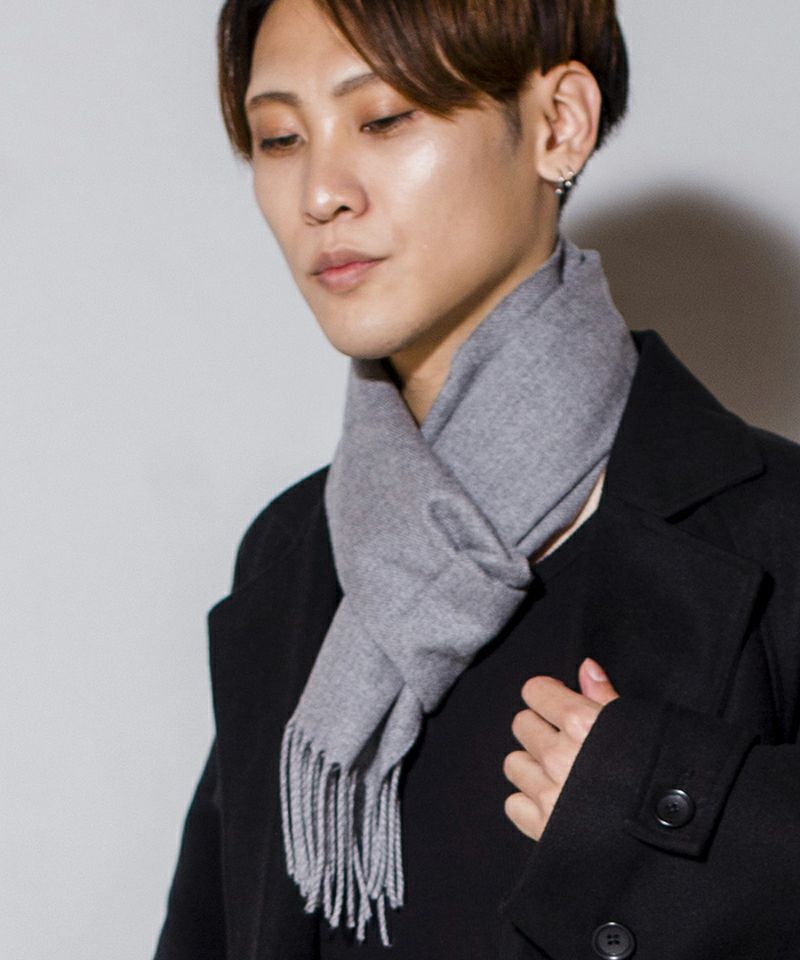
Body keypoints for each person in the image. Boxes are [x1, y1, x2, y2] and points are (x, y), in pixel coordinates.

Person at [153, 1, 800, 958]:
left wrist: (674, 802)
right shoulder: (291, 553)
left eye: (382, 119)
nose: (320, 193)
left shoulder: (773, 528)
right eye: (280, 138)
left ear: (558, 124)